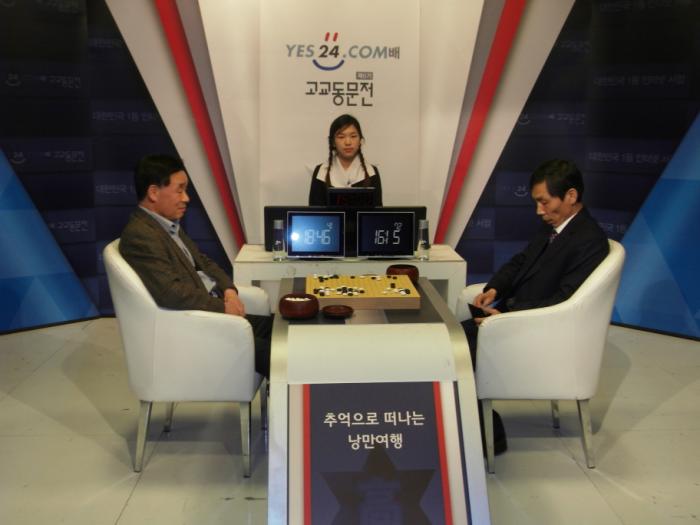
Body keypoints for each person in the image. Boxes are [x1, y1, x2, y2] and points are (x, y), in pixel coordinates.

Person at [462, 159, 609, 454]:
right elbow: (521, 262)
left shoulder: (589, 240)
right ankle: (470, 424)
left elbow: (564, 301)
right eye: (536, 203)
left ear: (570, 195)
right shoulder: (553, 228)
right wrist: (494, 289)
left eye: (544, 202)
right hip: (517, 320)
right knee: (453, 339)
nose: (539, 211)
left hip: (538, 333)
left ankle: (489, 434)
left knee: (459, 350)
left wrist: (505, 318)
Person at [119, 154, 272, 377]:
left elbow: (204, 261)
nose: (186, 198)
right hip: (201, 328)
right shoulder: (141, 235)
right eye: (179, 190)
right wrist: (223, 308)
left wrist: (229, 291)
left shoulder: (167, 226)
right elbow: (171, 293)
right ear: (153, 192)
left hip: (216, 316)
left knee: (284, 329)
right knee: (282, 356)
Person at [308, 113, 383, 206]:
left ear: (360, 140)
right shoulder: (321, 172)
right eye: (341, 137)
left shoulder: (371, 172)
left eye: (353, 136)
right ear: (333, 142)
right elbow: (314, 212)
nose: (348, 142)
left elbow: (377, 212)